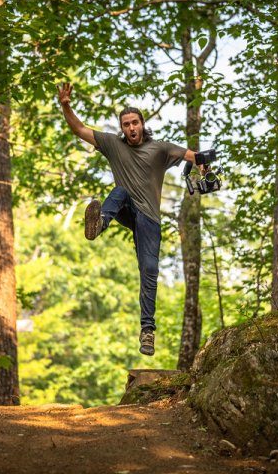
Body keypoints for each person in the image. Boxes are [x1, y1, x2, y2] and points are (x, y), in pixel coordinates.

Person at [57, 82, 200, 356]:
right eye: (126, 124)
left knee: (148, 269)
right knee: (119, 191)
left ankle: (147, 332)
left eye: (135, 123)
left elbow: (192, 156)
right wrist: (66, 106)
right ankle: (100, 223)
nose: (131, 128)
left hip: (148, 219)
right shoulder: (112, 144)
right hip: (124, 209)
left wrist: (203, 166)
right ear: (121, 128)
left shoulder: (160, 149)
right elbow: (79, 129)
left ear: (142, 124)